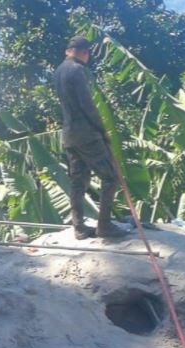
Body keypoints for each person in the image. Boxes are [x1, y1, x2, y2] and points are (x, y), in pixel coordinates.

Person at [54, 35, 127, 240]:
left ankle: (78, 227)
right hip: (86, 134)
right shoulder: (77, 70)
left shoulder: (59, 70)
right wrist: (102, 131)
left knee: (78, 182)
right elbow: (87, 105)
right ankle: (104, 225)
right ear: (85, 52)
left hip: (69, 135)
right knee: (110, 177)